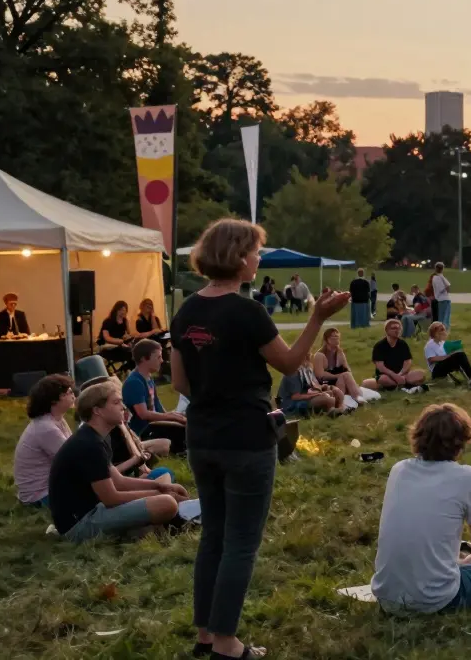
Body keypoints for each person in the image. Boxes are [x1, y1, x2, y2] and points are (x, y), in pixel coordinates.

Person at [170, 218, 349, 660]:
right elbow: (290, 364)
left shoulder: (186, 311)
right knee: (241, 542)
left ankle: (206, 636)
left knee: (213, 534)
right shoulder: (247, 312)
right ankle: (228, 643)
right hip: (246, 439)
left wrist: (215, 394)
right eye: (255, 251)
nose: (259, 259)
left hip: (202, 437)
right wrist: (317, 317)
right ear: (237, 257)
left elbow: (181, 382)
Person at [371, 403, 471, 614]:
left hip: (386, 596)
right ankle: (468, 581)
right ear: (461, 441)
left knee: (454, 554)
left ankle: (457, 564)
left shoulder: (399, 469)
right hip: (437, 600)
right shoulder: (468, 477)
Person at [48, 380, 187, 544]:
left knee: (167, 493)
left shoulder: (95, 438)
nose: (123, 406)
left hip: (93, 510)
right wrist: (160, 494)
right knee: (167, 503)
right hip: (80, 524)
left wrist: (161, 486)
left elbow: (119, 481)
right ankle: (151, 528)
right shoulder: (89, 444)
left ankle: (154, 528)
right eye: (116, 402)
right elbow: (111, 498)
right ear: (98, 411)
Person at [13, 374, 76, 507]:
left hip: (48, 488)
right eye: (68, 392)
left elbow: (73, 450)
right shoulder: (46, 428)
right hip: (40, 496)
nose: (73, 395)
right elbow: (72, 461)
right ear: (53, 400)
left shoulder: (56, 419)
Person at [122, 339, 187, 455]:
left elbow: (158, 407)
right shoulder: (134, 382)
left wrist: (173, 415)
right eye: (158, 357)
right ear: (143, 359)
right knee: (184, 430)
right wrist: (171, 417)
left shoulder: (148, 378)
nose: (162, 360)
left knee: (185, 419)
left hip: (154, 425)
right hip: (145, 431)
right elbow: (143, 414)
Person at [363, 319, 428, 392]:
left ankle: (397, 385)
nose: (397, 330)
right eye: (393, 328)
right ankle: (405, 385)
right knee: (383, 379)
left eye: (398, 328)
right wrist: (395, 376)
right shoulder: (379, 346)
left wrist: (400, 374)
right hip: (386, 375)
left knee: (420, 374)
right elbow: (381, 367)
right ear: (387, 331)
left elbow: (408, 362)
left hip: (402, 374)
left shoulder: (403, 344)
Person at [278, 352, 346, 416]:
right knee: (329, 399)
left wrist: (323, 387)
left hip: (306, 396)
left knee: (336, 392)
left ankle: (339, 410)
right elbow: (296, 397)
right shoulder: (293, 373)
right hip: (291, 404)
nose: (308, 358)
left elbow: (313, 386)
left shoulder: (307, 370)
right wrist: (317, 394)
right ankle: (334, 412)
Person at [425, 322, 471, 388]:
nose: (444, 331)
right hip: (436, 371)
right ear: (435, 332)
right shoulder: (430, 345)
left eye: (444, 329)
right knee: (459, 355)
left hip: (443, 365)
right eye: (441, 330)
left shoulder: (442, 342)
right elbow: (431, 359)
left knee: (460, 355)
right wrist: (448, 356)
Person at [313, 327, 368, 402]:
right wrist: (337, 376)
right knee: (344, 375)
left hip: (340, 381)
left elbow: (347, 370)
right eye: (334, 336)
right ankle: (358, 397)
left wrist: (344, 376)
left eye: (338, 336)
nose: (337, 338)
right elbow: (320, 375)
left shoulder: (339, 353)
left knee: (346, 375)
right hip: (326, 385)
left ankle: (356, 397)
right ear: (327, 339)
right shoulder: (319, 355)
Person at [99, 301, 135, 368]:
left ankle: (128, 371)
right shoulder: (107, 321)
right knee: (130, 353)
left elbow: (129, 333)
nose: (123, 312)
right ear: (116, 310)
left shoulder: (125, 321)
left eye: (125, 310)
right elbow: (106, 338)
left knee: (135, 349)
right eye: (121, 310)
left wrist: (126, 337)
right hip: (109, 347)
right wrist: (119, 341)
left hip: (121, 345)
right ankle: (126, 370)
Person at [431, 262, 452, 328]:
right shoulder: (439, 277)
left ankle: (442, 329)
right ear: (442, 269)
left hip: (441, 299)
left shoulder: (437, 277)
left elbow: (446, 287)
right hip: (444, 299)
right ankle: (443, 329)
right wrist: (446, 289)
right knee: (445, 317)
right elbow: (447, 287)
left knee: (442, 317)